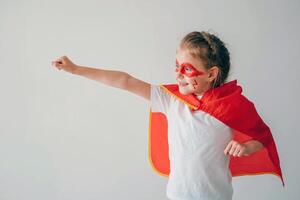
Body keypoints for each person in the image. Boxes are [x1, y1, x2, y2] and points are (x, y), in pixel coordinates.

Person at [52, 31, 283, 200]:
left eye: (187, 69)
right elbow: (126, 81)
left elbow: (261, 138)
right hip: (176, 196)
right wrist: (76, 69)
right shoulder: (171, 100)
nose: (178, 74)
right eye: (177, 65)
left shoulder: (233, 106)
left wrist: (246, 148)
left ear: (212, 73)